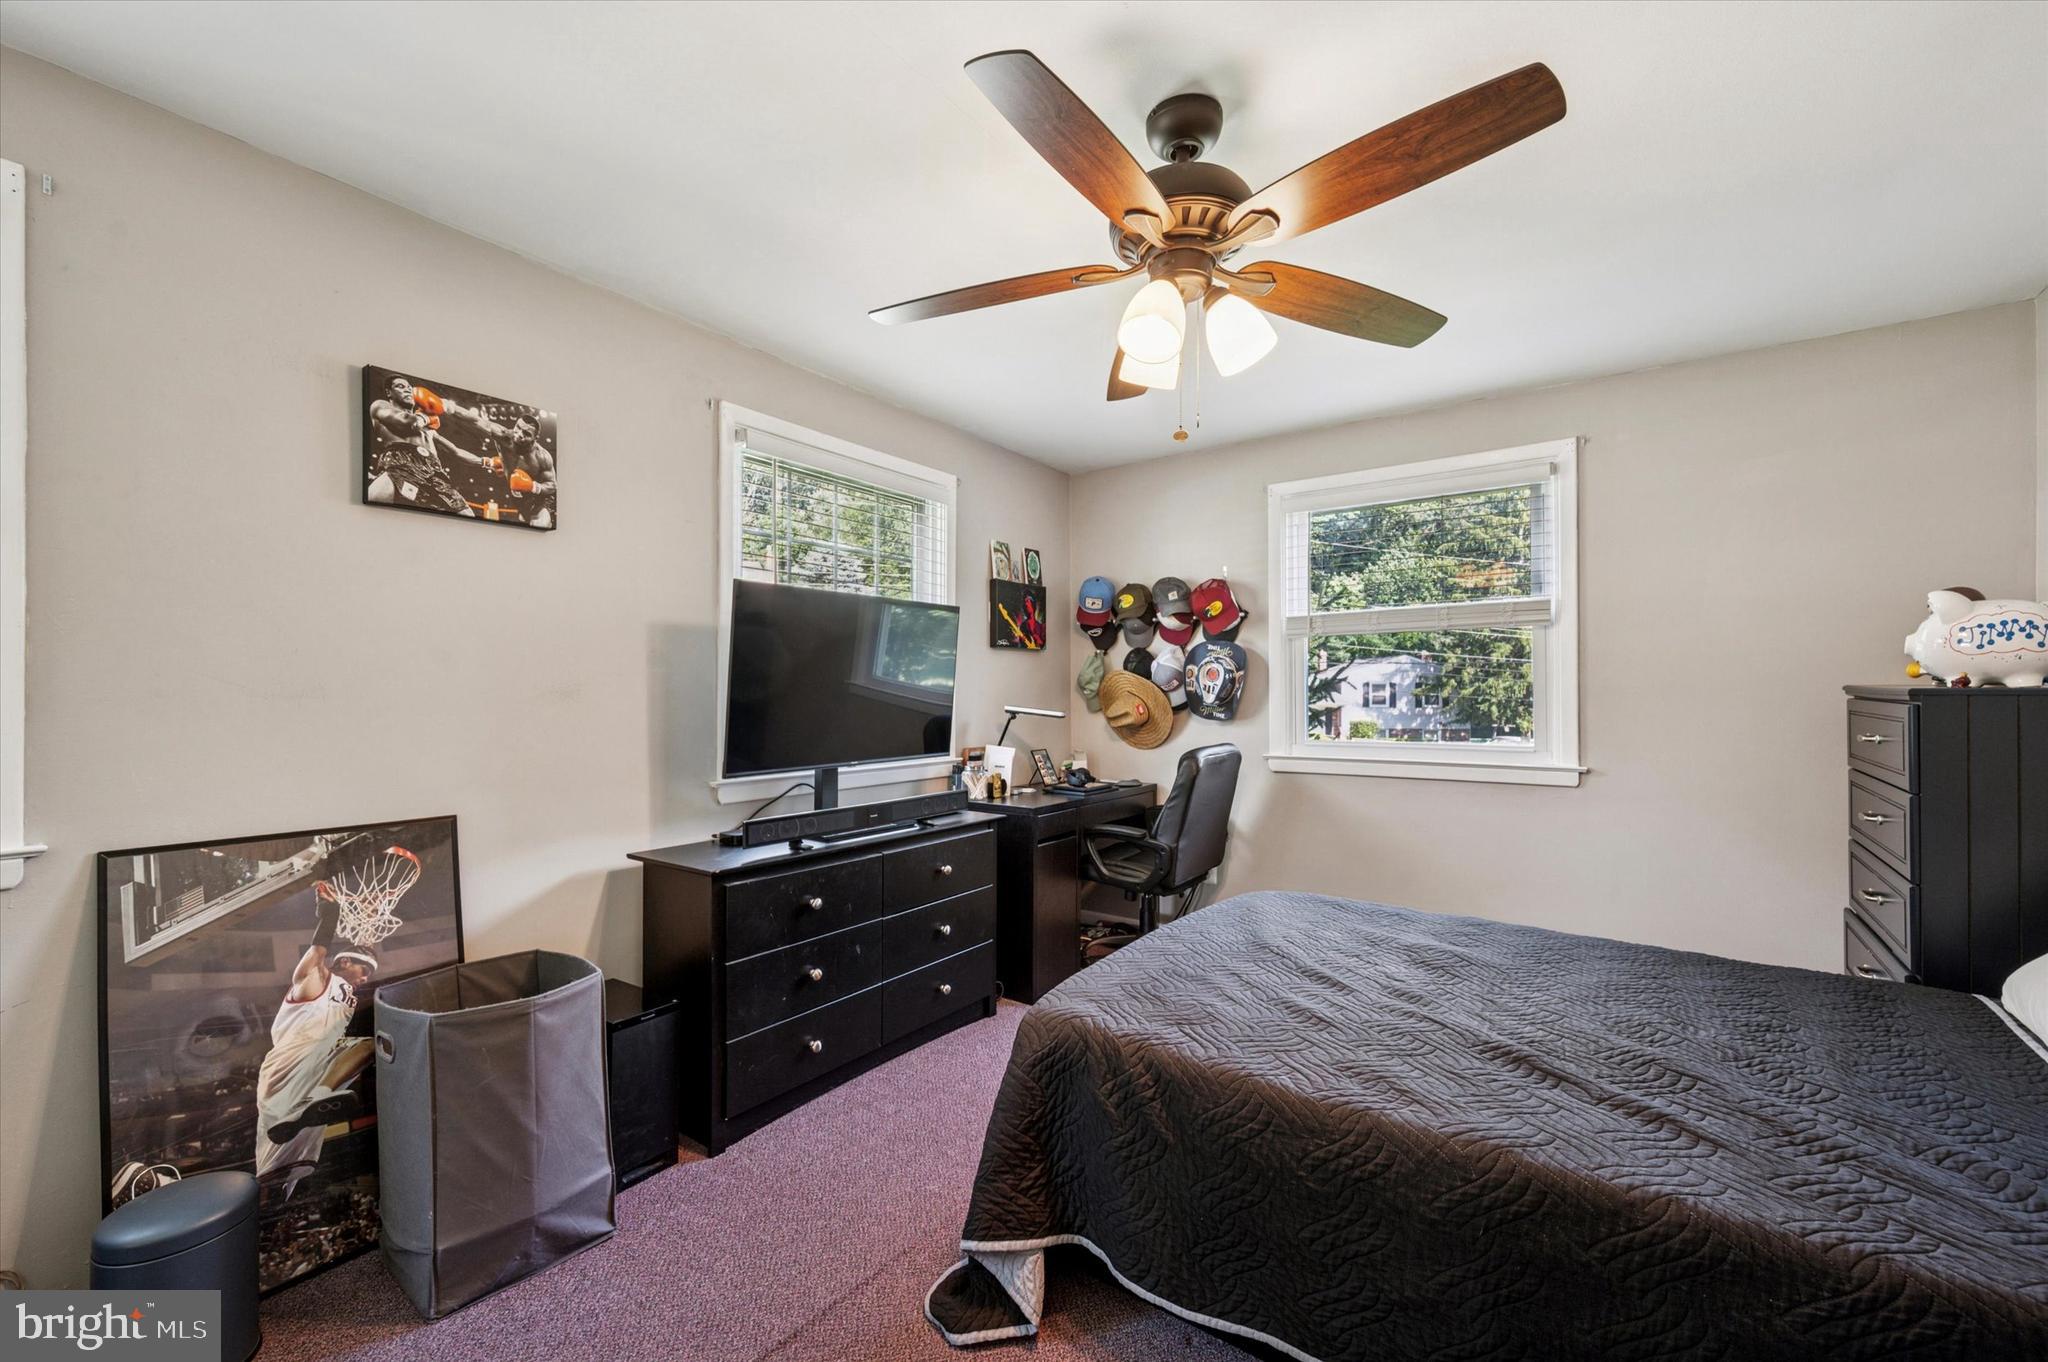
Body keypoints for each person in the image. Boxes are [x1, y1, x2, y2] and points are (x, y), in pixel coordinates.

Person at [252, 888, 377, 1199]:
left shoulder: (347, 998)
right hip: (288, 1066)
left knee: (368, 1046)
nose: (366, 979)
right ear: (345, 961)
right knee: (265, 1174)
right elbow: (320, 949)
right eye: (365, 970)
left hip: (316, 1072)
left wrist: (368, 920)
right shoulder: (316, 978)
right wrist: (329, 911)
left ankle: (317, 1097)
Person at [365, 374, 497, 516]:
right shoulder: (380, 406)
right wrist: (426, 417)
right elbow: (406, 422)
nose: (408, 390)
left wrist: (488, 462)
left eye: (410, 388)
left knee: (468, 516)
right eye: (400, 386)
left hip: (435, 475)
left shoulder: (427, 427)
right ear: (389, 392)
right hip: (401, 465)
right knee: (375, 507)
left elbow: (456, 451)